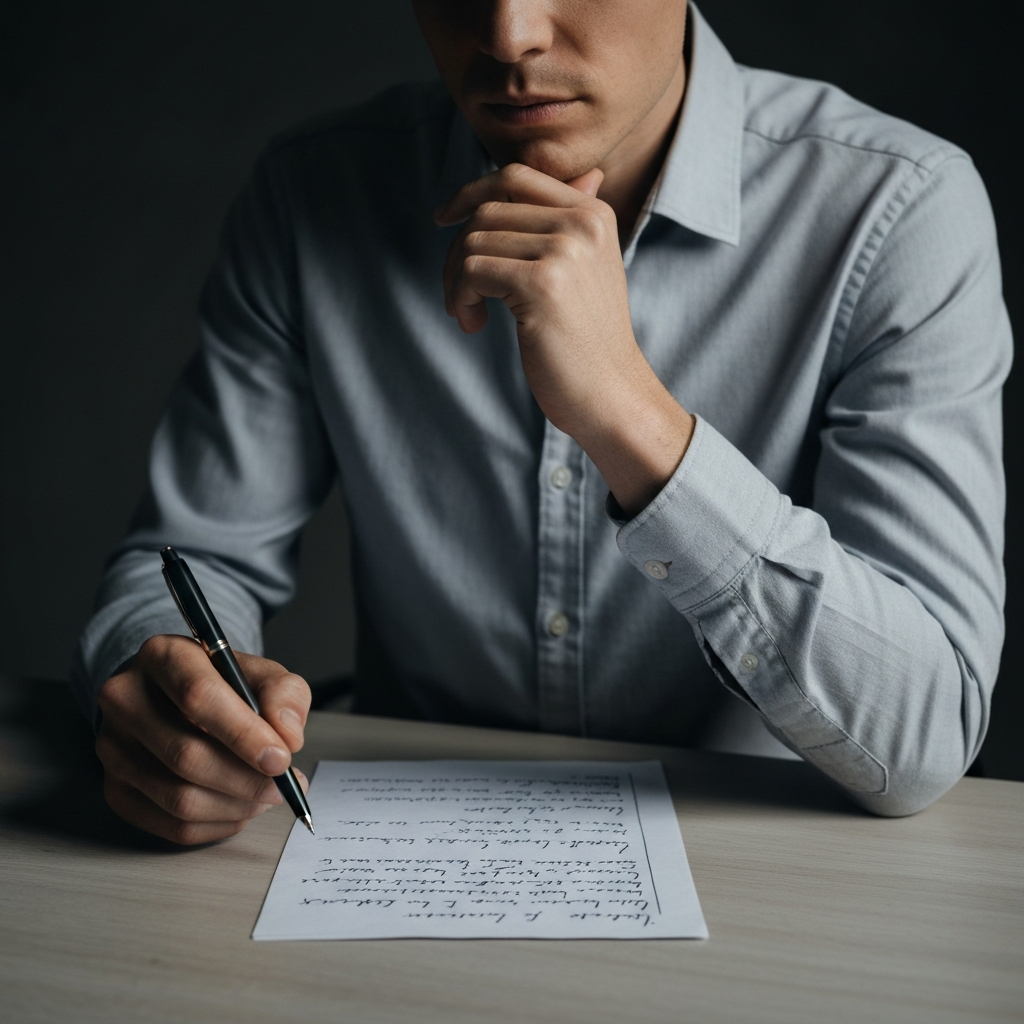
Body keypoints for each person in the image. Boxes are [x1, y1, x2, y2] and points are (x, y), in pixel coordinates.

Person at [73, 0, 1011, 844]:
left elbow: (923, 740)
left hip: (762, 882)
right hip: (401, 865)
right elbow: (193, 561)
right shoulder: (312, 194)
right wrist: (176, 696)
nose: (508, 34)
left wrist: (628, 413)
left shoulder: (898, 211)